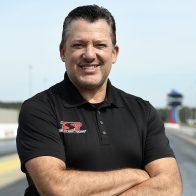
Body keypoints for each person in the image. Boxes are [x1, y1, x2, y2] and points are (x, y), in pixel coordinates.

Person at [16, 5, 182, 196]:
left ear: (114, 53)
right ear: (63, 52)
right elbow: (57, 189)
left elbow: (170, 187)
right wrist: (136, 176)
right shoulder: (39, 109)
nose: (89, 54)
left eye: (100, 45)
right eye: (78, 45)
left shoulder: (143, 111)